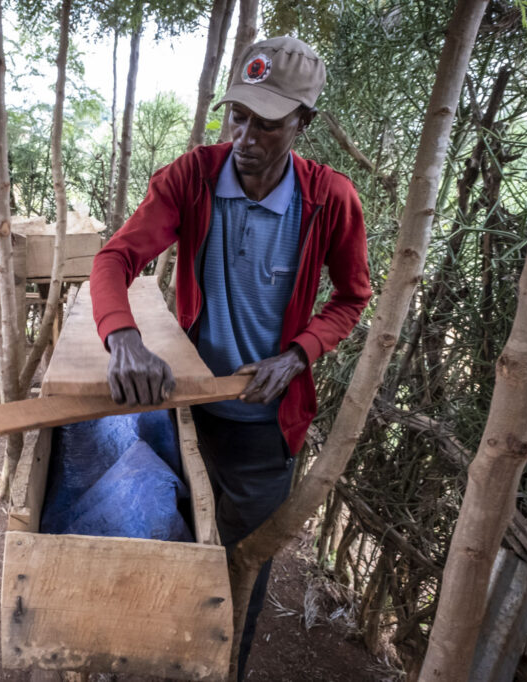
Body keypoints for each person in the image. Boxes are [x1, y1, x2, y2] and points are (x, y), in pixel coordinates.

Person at [89, 36, 372, 676]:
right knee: (174, 539)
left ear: (303, 123)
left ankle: (224, 669)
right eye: (237, 116)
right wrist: (123, 337)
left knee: (239, 570)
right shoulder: (190, 178)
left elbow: (353, 298)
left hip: (264, 430)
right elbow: (113, 260)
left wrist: (297, 356)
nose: (245, 137)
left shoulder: (330, 200)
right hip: (187, 408)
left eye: (267, 124)